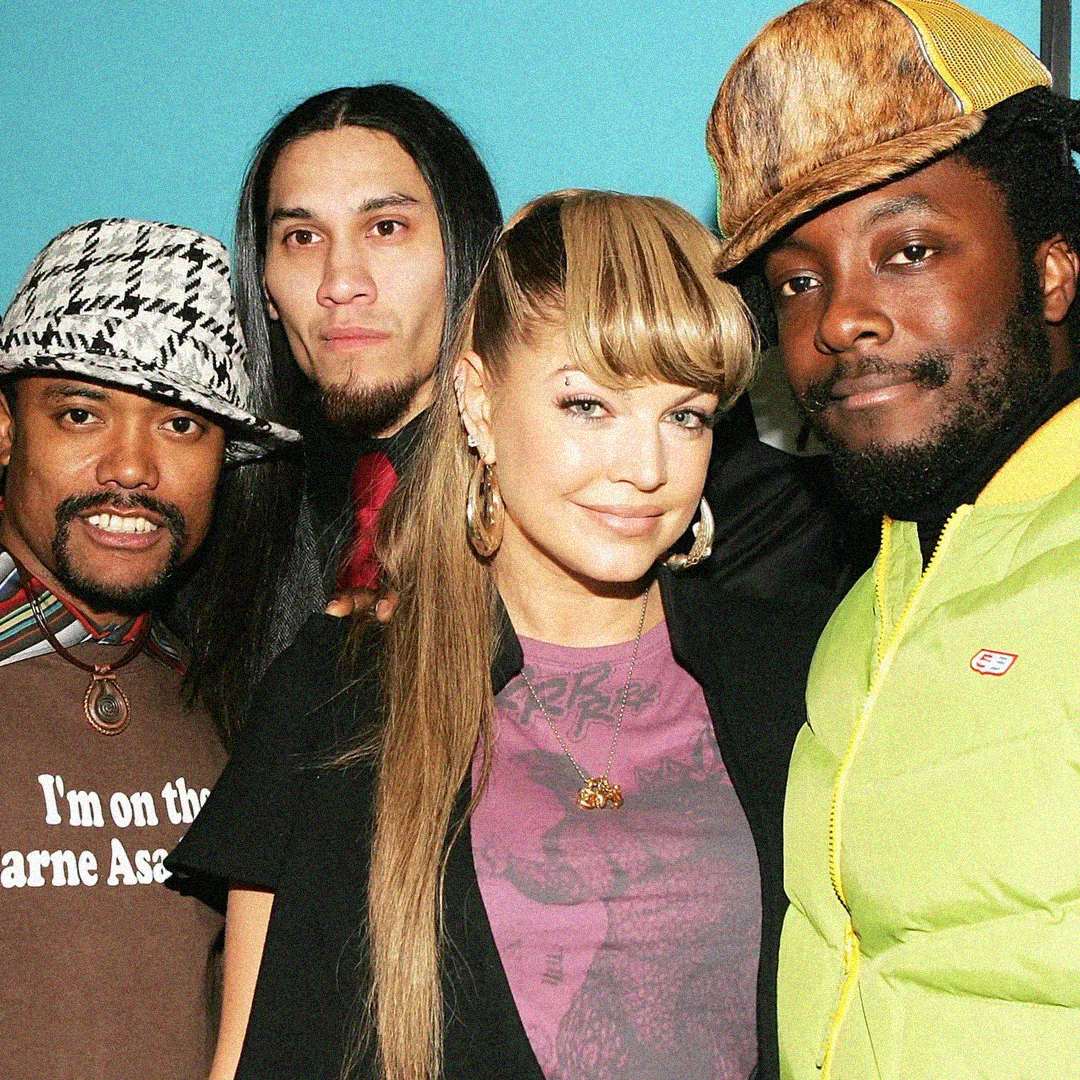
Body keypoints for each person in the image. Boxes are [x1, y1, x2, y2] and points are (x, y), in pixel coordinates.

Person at [167, 190, 864, 1080]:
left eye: (684, 414)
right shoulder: (341, 688)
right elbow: (251, 1058)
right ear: (479, 400)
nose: (646, 469)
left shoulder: (792, 673)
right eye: (588, 406)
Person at [707, 0, 1080, 1076]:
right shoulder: (857, 608)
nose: (840, 321)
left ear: (1053, 270)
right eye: (798, 282)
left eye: (908, 250)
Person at [0, 218, 298, 1079]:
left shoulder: (236, 708)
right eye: (82, 413)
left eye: (180, 426)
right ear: (7, 432)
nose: (131, 467)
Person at [182, 85, 502, 737]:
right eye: (302, 237)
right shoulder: (211, 537)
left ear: (464, 253)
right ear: (265, 289)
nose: (339, 281)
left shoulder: (573, 504)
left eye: (385, 228)